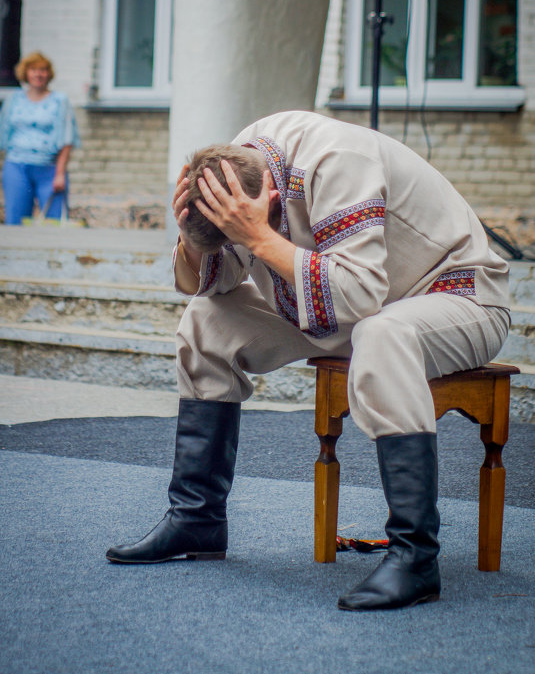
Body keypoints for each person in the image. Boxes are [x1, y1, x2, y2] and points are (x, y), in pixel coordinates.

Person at [106, 110, 510, 611]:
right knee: (203, 321)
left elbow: (361, 294)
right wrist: (192, 236)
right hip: (348, 305)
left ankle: (415, 559)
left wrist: (258, 238)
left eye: (247, 228)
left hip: (457, 294)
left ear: (269, 199)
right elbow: (218, 281)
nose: (245, 240)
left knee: (381, 333)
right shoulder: (237, 165)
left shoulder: (339, 161)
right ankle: (197, 519)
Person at [1, 51, 80, 225]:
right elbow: (4, 133)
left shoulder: (60, 100)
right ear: (25, 73)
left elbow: (67, 139)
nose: (38, 74)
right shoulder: (13, 99)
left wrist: (60, 174)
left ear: (49, 74)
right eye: (33, 69)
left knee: (54, 221)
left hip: (49, 169)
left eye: (43, 70)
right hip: (16, 166)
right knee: (15, 221)